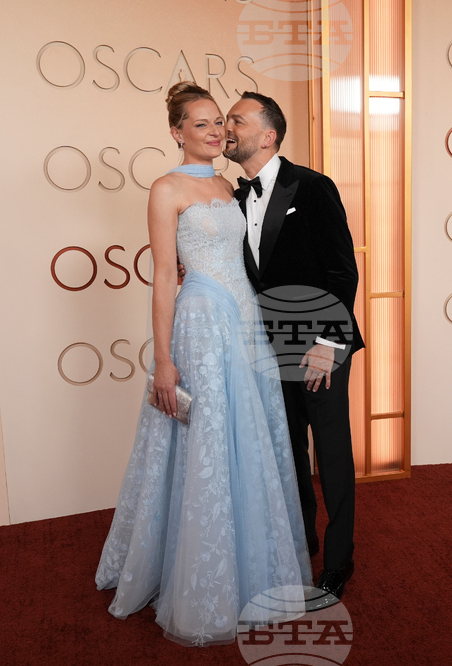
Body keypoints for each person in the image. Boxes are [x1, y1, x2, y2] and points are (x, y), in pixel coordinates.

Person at [95, 82, 311, 647]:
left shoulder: (227, 183)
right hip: (202, 323)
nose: (216, 132)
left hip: (245, 324)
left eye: (221, 123)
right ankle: (200, 580)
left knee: (245, 441)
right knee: (205, 443)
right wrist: (162, 359)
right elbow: (164, 276)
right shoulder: (165, 189)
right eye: (203, 124)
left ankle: (248, 568)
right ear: (176, 133)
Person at [223, 92, 364, 602]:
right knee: (288, 454)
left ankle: (340, 561)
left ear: (269, 135)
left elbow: (342, 269)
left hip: (321, 346)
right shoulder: (233, 201)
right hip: (267, 349)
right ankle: (299, 548)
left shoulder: (312, 185)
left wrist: (329, 342)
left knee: (331, 455)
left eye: (237, 119)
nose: (226, 126)